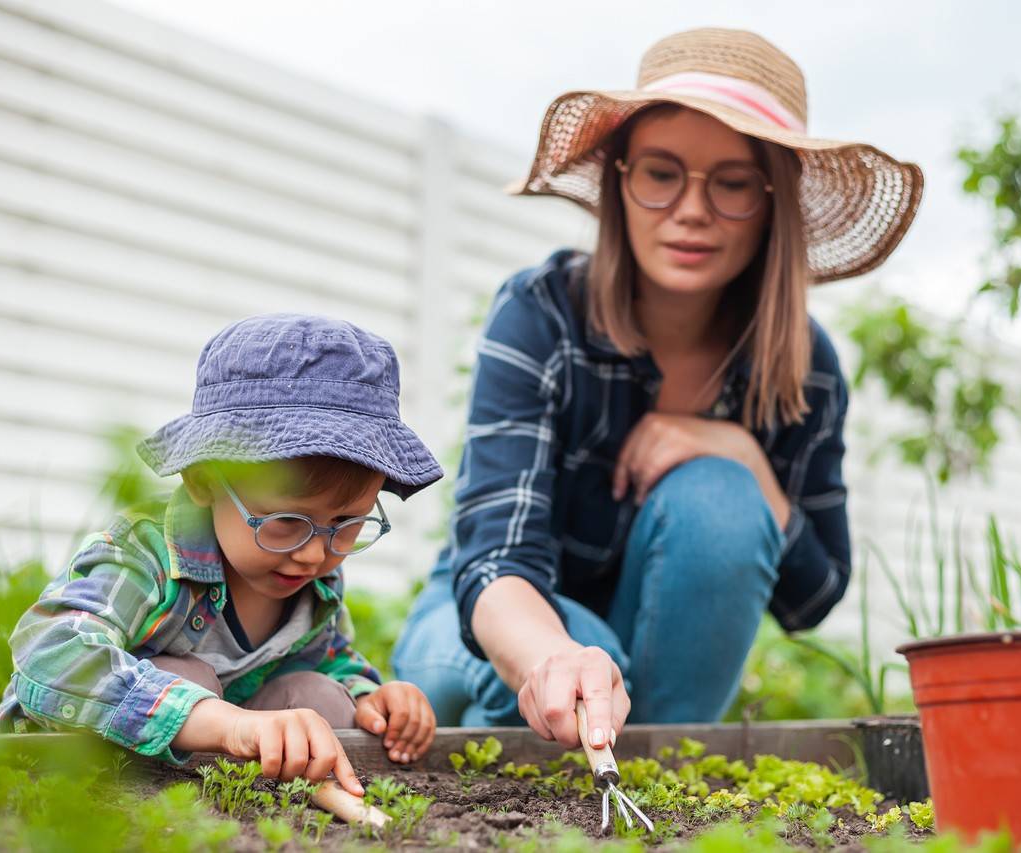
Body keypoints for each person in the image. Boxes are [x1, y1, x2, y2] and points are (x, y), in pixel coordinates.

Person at [392, 28, 923, 752]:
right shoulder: (541, 313)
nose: (693, 209)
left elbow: (813, 596)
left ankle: (664, 763)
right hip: (512, 620)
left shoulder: (807, 366)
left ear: (773, 203)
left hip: (669, 681)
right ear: (620, 179)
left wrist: (742, 456)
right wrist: (560, 658)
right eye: (662, 172)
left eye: (733, 182)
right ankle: (559, 745)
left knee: (722, 495)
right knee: (535, 659)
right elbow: (495, 561)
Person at [0, 314, 443, 795]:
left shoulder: (314, 577)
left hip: (206, 777)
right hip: (56, 773)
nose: (312, 554)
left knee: (318, 697)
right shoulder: (144, 553)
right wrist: (221, 722)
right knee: (187, 676)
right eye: (286, 522)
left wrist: (373, 699)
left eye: (347, 524)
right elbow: (50, 654)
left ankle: (261, 809)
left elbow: (326, 658)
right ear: (203, 480)